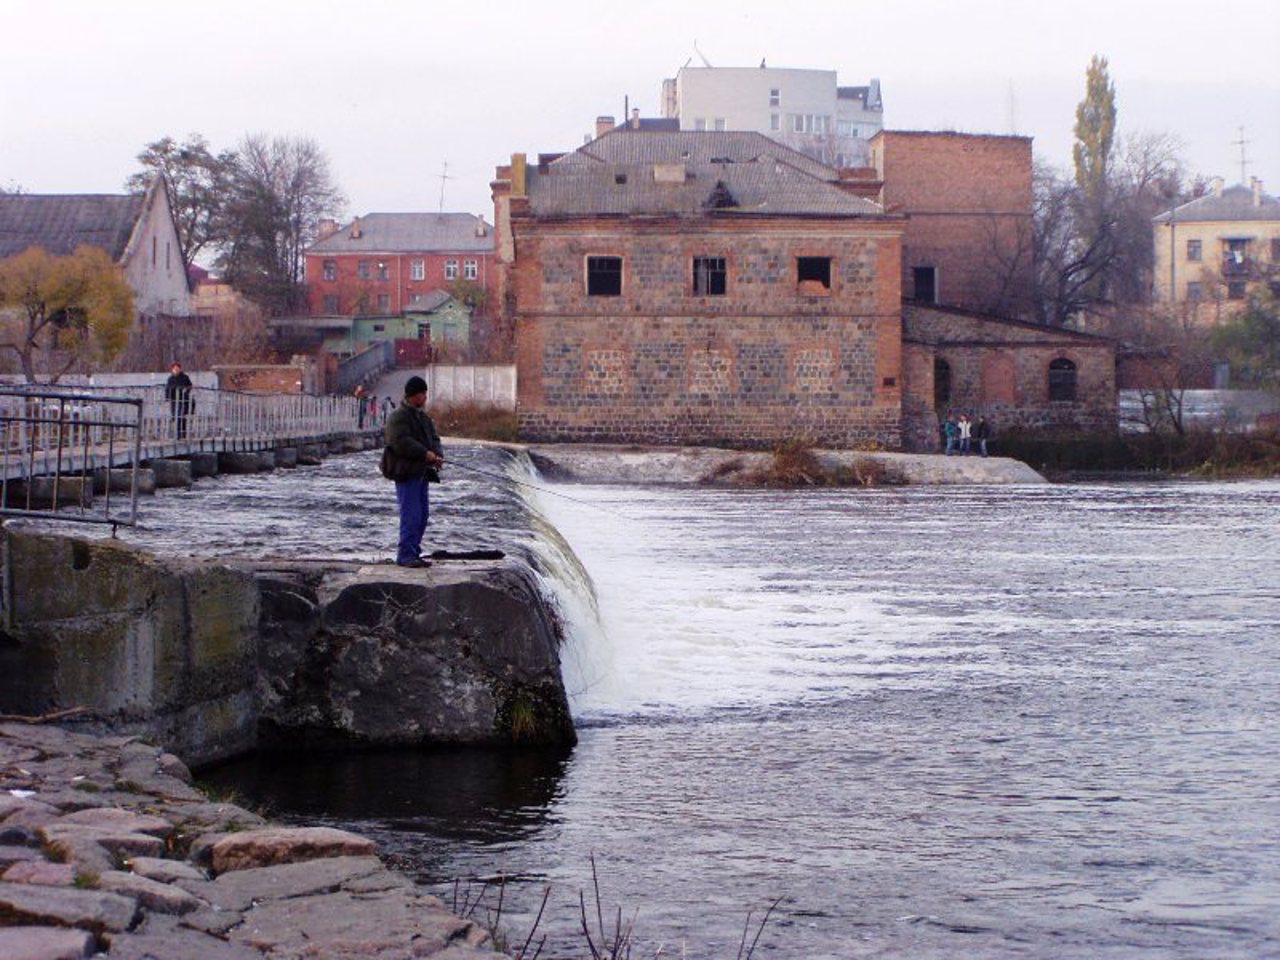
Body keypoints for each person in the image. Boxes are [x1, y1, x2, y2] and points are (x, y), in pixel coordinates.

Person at [383, 375, 444, 568]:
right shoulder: (398, 417)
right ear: (413, 395)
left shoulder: (423, 417)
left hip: (421, 473)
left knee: (422, 514)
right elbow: (401, 442)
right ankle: (406, 555)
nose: (425, 397)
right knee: (411, 515)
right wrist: (425, 454)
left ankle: (414, 551)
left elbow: (434, 438)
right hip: (405, 472)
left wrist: (437, 454)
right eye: (422, 393)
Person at [164, 361, 194, 439]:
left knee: (181, 416)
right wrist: (167, 397)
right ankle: (178, 434)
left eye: (177, 369)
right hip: (173, 399)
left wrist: (186, 392)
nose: (176, 370)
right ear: (172, 370)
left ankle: (182, 433)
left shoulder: (184, 377)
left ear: (180, 369)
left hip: (182, 399)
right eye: (174, 369)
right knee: (174, 416)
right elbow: (167, 388)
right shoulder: (170, 378)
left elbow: (190, 386)